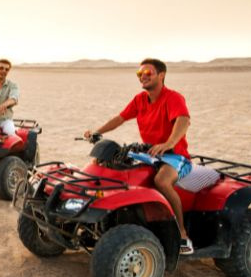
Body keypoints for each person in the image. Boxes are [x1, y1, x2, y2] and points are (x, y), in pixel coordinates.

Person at [83, 58, 194, 254]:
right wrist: (97, 133)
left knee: (162, 180)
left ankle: (182, 234)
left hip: (175, 156)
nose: (142, 76)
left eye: (148, 73)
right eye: (139, 74)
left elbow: (183, 121)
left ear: (161, 75)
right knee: (106, 166)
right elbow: (120, 118)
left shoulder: (173, 98)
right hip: (148, 153)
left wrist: (168, 143)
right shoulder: (140, 100)